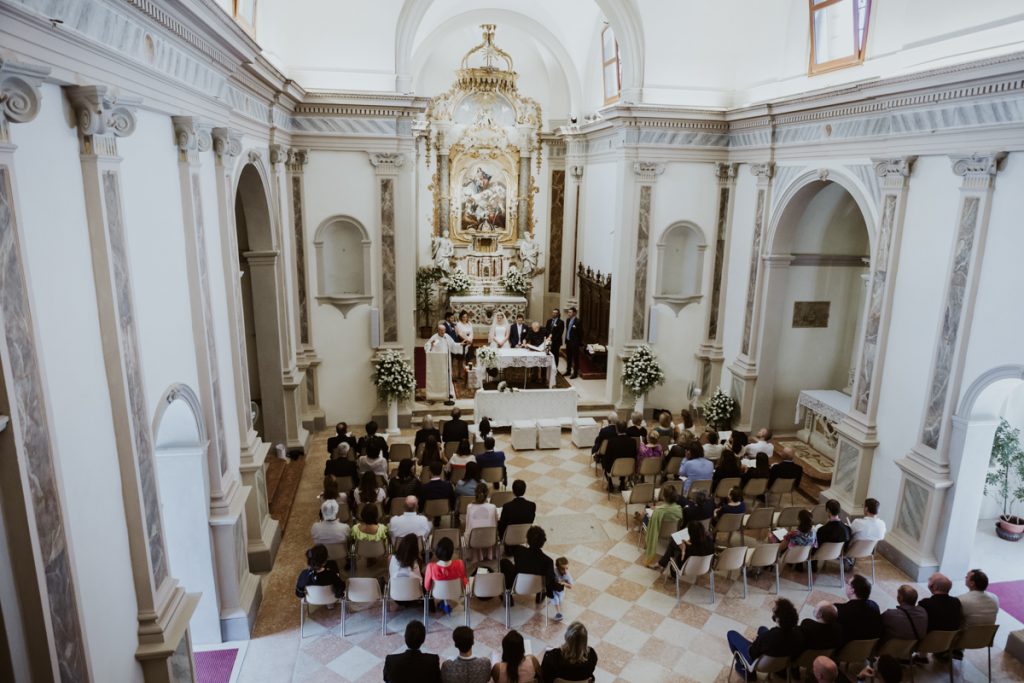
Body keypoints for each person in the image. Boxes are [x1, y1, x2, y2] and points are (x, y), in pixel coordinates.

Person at [727, 598, 804, 680]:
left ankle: (745, 670)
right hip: (782, 662)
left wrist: (755, 642)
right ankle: (780, 671)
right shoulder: (798, 633)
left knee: (731, 634)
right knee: (762, 628)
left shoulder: (768, 637)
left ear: (778, 618)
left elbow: (752, 653)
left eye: (774, 611)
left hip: (760, 665)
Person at [501, 526, 558, 599]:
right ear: (543, 542)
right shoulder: (548, 561)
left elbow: (508, 550)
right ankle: (540, 596)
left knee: (504, 562)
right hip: (537, 587)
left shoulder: (519, 551)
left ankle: (508, 597)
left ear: (527, 540)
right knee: (546, 574)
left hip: (517, 585)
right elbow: (550, 581)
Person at [424, 537, 467, 615]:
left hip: (437, 594)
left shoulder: (430, 567)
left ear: (437, 551)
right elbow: (464, 582)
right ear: (452, 552)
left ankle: (444, 603)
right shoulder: (460, 564)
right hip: (456, 593)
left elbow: (427, 587)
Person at [836, 574, 883, 645]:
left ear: (852, 590)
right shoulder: (874, 606)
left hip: (843, 651)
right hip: (865, 651)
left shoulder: (839, 610)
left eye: (848, 583)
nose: (846, 586)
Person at [642, 488, 683, 562]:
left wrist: (655, 510)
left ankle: (641, 520)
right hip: (673, 532)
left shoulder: (658, 512)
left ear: (664, 497)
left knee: (646, 516)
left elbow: (654, 521)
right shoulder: (679, 509)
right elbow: (667, 510)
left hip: (658, 532)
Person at [425, 322, 462, 400]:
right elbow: (427, 347)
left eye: (444, 330)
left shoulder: (446, 337)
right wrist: (431, 346)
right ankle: (438, 393)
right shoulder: (434, 337)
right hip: (437, 362)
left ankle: (448, 392)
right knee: (438, 377)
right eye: (441, 330)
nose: (443, 332)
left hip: (446, 361)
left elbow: (453, 345)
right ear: (438, 330)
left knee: (447, 375)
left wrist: (460, 344)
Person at [463, 483, 498, 562]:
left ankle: (476, 554)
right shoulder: (493, 507)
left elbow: (468, 526)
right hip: (490, 538)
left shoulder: (469, 507)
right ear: (487, 494)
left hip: (474, 540)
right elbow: (495, 524)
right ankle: (489, 553)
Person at [602, 421, 637, 492]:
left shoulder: (611, 442)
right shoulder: (633, 441)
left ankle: (610, 484)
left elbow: (607, 458)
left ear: (616, 429)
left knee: (604, 461)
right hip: (628, 468)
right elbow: (634, 456)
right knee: (625, 460)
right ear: (626, 429)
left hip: (614, 469)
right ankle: (622, 483)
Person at [551, 557, 574, 621]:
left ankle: (558, 611)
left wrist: (564, 583)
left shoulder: (567, 575)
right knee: (555, 598)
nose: (565, 571)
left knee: (560, 599)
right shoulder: (554, 571)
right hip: (553, 588)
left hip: (561, 589)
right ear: (557, 567)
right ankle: (558, 613)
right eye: (562, 569)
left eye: (567, 568)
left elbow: (571, 586)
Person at [454, 310, 474, 382]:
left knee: (468, 359)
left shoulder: (469, 324)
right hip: (462, 342)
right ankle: (459, 374)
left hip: (469, 343)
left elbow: (471, 333)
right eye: (463, 317)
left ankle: (468, 374)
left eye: (466, 317)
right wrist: (466, 340)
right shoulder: (458, 324)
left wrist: (470, 340)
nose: (464, 318)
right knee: (461, 359)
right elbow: (459, 334)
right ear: (461, 317)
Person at [564, 307, 582, 378]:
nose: (568, 313)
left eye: (570, 312)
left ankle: (575, 373)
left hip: (575, 343)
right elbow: (568, 330)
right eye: (568, 312)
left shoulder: (578, 321)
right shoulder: (568, 320)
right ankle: (568, 371)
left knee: (575, 358)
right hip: (568, 341)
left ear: (574, 313)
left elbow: (580, 333)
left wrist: (578, 343)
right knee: (569, 357)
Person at [545, 308, 564, 372]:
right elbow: (546, 330)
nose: (554, 314)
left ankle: (555, 369)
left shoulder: (561, 322)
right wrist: (548, 337)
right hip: (548, 341)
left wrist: (552, 338)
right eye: (553, 313)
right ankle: (549, 367)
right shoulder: (549, 321)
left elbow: (560, 332)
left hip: (556, 341)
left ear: (558, 314)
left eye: (556, 313)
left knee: (555, 355)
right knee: (548, 354)